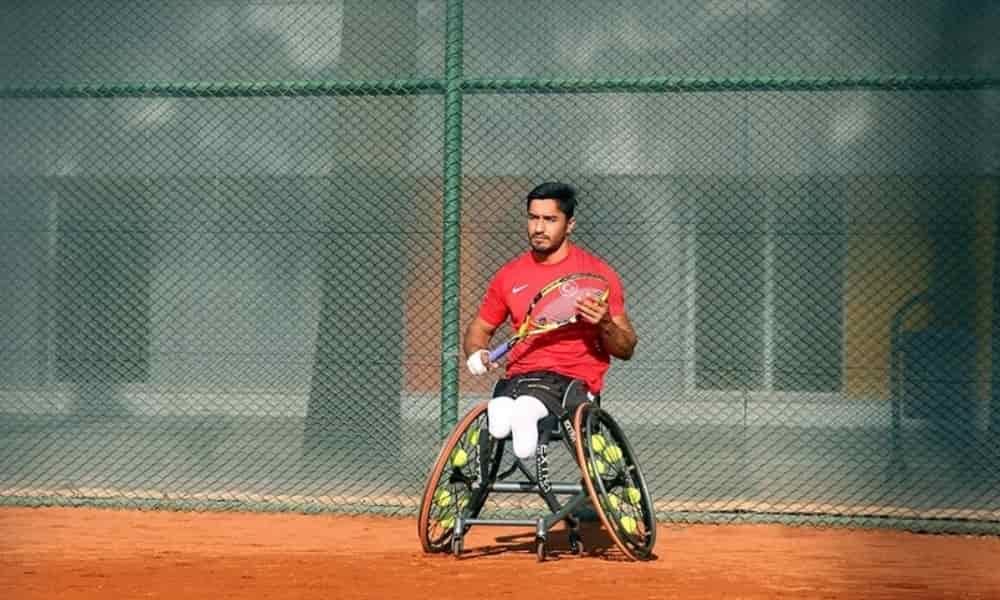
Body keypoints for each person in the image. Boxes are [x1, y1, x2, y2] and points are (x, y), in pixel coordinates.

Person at [464, 181, 637, 460]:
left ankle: (527, 416)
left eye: (550, 219)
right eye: (533, 218)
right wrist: (475, 352)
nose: (539, 228)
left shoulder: (597, 274)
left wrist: (604, 323)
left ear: (569, 225)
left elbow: (626, 348)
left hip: (573, 385)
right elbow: (480, 328)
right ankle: (514, 416)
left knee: (526, 405)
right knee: (501, 408)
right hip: (518, 380)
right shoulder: (509, 275)